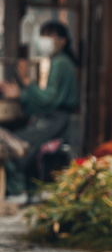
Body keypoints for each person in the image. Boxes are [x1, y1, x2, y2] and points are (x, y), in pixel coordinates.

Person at [0, 20, 79, 201]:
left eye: (50, 35)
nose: (45, 40)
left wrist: (26, 84)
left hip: (56, 121)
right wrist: (23, 92)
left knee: (17, 143)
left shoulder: (60, 63)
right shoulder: (61, 62)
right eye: (44, 35)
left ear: (63, 41)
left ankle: (18, 190)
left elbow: (48, 100)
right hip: (57, 120)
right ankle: (26, 190)